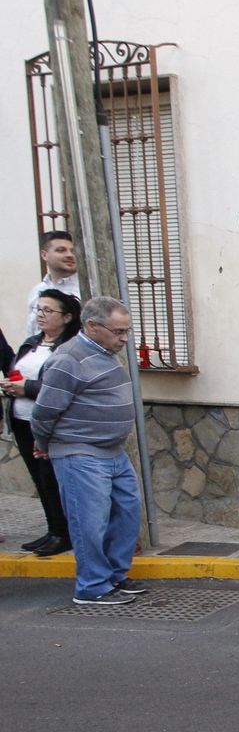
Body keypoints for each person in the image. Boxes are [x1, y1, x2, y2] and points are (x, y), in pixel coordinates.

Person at [28, 295, 147, 605]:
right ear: (92, 326)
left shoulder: (104, 351)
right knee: (89, 521)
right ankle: (92, 586)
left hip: (113, 451)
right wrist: (43, 444)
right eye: (118, 331)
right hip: (80, 452)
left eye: (126, 331)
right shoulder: (68, 358)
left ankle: (115, 575)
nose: (124, 338)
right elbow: (44, 412)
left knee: (127, 513)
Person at [1, 289, 79, 555]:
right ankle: (53, 529)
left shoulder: (69, 348)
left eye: (48, 310)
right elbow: (16, 371)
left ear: (67, 317)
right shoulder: (31, 343)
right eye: (39, 309)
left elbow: (60, 386)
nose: (41, 315)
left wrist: (28, 388)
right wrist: (11, 386)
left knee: (52, 479)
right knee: (40, 480)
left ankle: (64, 533)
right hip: (22, 419)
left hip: (50, 424)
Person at [26, 231, 81, 344]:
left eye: (72, 251)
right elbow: (31, 331)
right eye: (61, 250)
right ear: (44, 255)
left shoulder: (84, 290)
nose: (69, 255)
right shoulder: (37, 291)